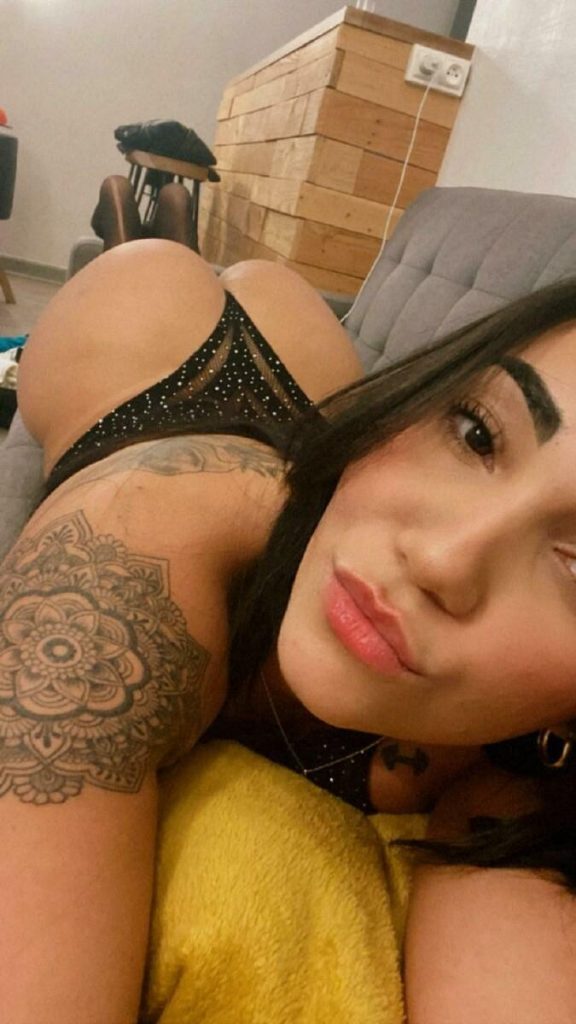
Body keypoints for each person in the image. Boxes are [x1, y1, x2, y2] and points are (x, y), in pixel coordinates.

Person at [3, 237, 576, 1022]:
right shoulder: (122, 579)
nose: (440, 559)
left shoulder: (524, 769)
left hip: (304, 414)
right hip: (148, 362)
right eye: (476, 431)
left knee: (269, 290)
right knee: (172, 268)